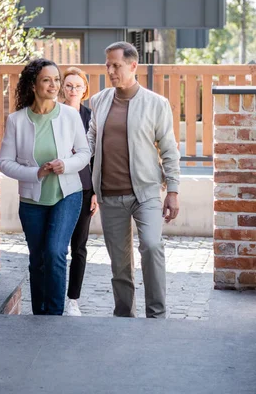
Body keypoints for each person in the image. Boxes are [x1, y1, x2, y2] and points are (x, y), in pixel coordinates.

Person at [87, 42, 180, 319]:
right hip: (109, 194)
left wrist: (173, 190)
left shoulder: (156, 103)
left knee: (152, 246)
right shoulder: (99, 100)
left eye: (116, 65)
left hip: (146, 192)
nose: (110, 70)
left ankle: (157, 315)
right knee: (119, 264)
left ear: (133, 66)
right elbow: (91, 138)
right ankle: (124, 317)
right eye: (107, 65)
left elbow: (169, 149)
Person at [0, 58, 90, 316]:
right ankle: (39, 315)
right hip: (31, 201)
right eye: (47, 80)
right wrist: (35, 172)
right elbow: (4, 163)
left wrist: (66, 164)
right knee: (37, 259)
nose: (54, 85)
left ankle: (53, 316)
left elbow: (84, 152)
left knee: (54, 253)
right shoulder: (16, 120)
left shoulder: (70, 115)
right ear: (33, 84)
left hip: (67, 195)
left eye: (56, 80)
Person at [61, 67, 99, 316]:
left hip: (85, 188)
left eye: (78, 86)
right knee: (56, 247)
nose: (73, 90)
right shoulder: (54, 114)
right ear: (62, 88)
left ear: (85, 89)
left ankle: (72, 299)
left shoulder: (92, 117)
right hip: (60, 187)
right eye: (69, 85)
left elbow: (98, 157)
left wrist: (96, 191)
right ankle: (53, 293)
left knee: (79, 247)